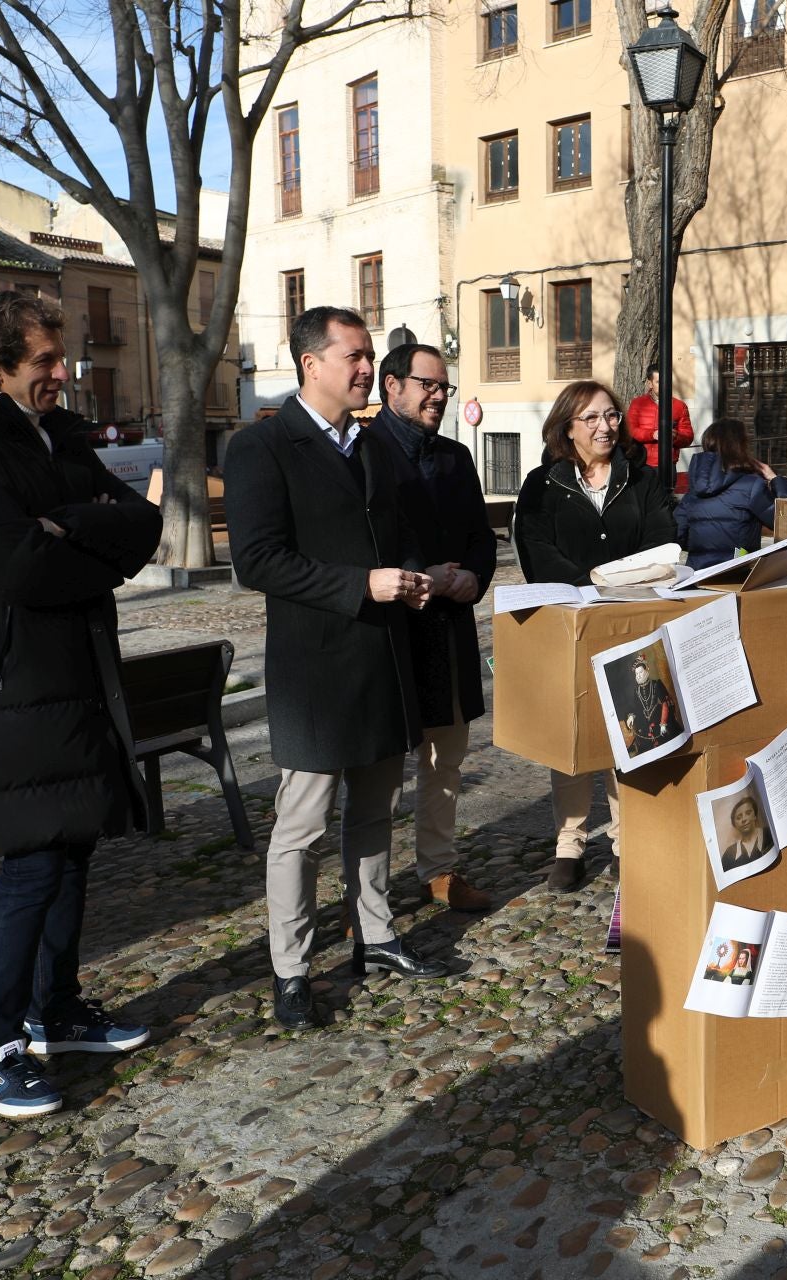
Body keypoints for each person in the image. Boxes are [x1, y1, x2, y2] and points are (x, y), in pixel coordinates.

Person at [0, 291, 162, 1117]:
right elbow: (16, 561)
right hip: (7, 685)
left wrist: (66, 526)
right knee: (33, 861)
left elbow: (141, 524)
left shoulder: (56, 431)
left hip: (75, 670)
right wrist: (78, 544)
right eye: (45, 360)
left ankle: (57, 1011)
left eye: (62, 356)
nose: (64, 373)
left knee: (74, 845)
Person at [228, 306, 448, 1032]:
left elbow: (394, 534)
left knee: (377, 811)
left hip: (383, 659)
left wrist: (411, 573)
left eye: (367, 356)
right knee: (301, 830)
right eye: (353, 356)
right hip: (316, 673)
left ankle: (375, 936)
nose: (365, 368)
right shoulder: (262, 447)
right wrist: (361, 585)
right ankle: (291, 970)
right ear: (309, 364)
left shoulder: (375, 445)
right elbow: (256, 560)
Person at [514, 380, 677, 892]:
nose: (606, 426)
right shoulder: (543, 482)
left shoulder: (642, 479)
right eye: (591, 418)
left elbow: (662, 543)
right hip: (571, 622)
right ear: (567, 427)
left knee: (631, 727)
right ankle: (570, 844)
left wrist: (618, 583)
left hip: (631, 621)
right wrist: (588, 584)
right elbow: (535, 546)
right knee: (574, 734)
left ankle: (629, 839)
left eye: (611, 416)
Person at [372, 343, 496, 916]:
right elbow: (363, 547)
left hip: (447, 631)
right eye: (429, 384)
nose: (439, 396)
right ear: (391, 385)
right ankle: (367, 898)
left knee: (446, 761)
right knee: (381, 774)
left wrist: (474, 575)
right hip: (387, 634)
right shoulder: (364, 452)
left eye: (444, 387)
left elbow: (480, 535)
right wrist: (422, 576)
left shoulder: (454, 456)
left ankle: (437, 871)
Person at [675, 419, 787, 569]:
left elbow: (678, 534)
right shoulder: (751, 485)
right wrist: (775, 479)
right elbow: (785, 521)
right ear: (740, 446)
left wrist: (704, 550)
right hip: (736, 574)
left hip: (697, 575)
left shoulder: (693, 491)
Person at [625, 361, 694, 482]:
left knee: (667, 499)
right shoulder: (638, 403)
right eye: (658, 382)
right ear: (650, 383)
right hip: (642, 464)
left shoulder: (679, 406)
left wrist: (675, 436)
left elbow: (688, 437)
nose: (664, 385)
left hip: (668, 465)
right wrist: (653, 434)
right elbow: (631, 431)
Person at [623, 654, 683, 748]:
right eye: (636, 674)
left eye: (641, 672)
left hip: (660, 719)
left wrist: (663, 723)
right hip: (645, 724)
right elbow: (636, 709)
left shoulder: (656, 684)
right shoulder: (636, 690)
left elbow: (665, 704)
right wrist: (631, 717)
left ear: (647, 670)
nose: (638, 675)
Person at [721, 795, 774, 868]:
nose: (743, 819)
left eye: (748, 813)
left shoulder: (770, 833)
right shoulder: (729, 854)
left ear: (755, 815)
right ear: (735, 825)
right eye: (738, 817)